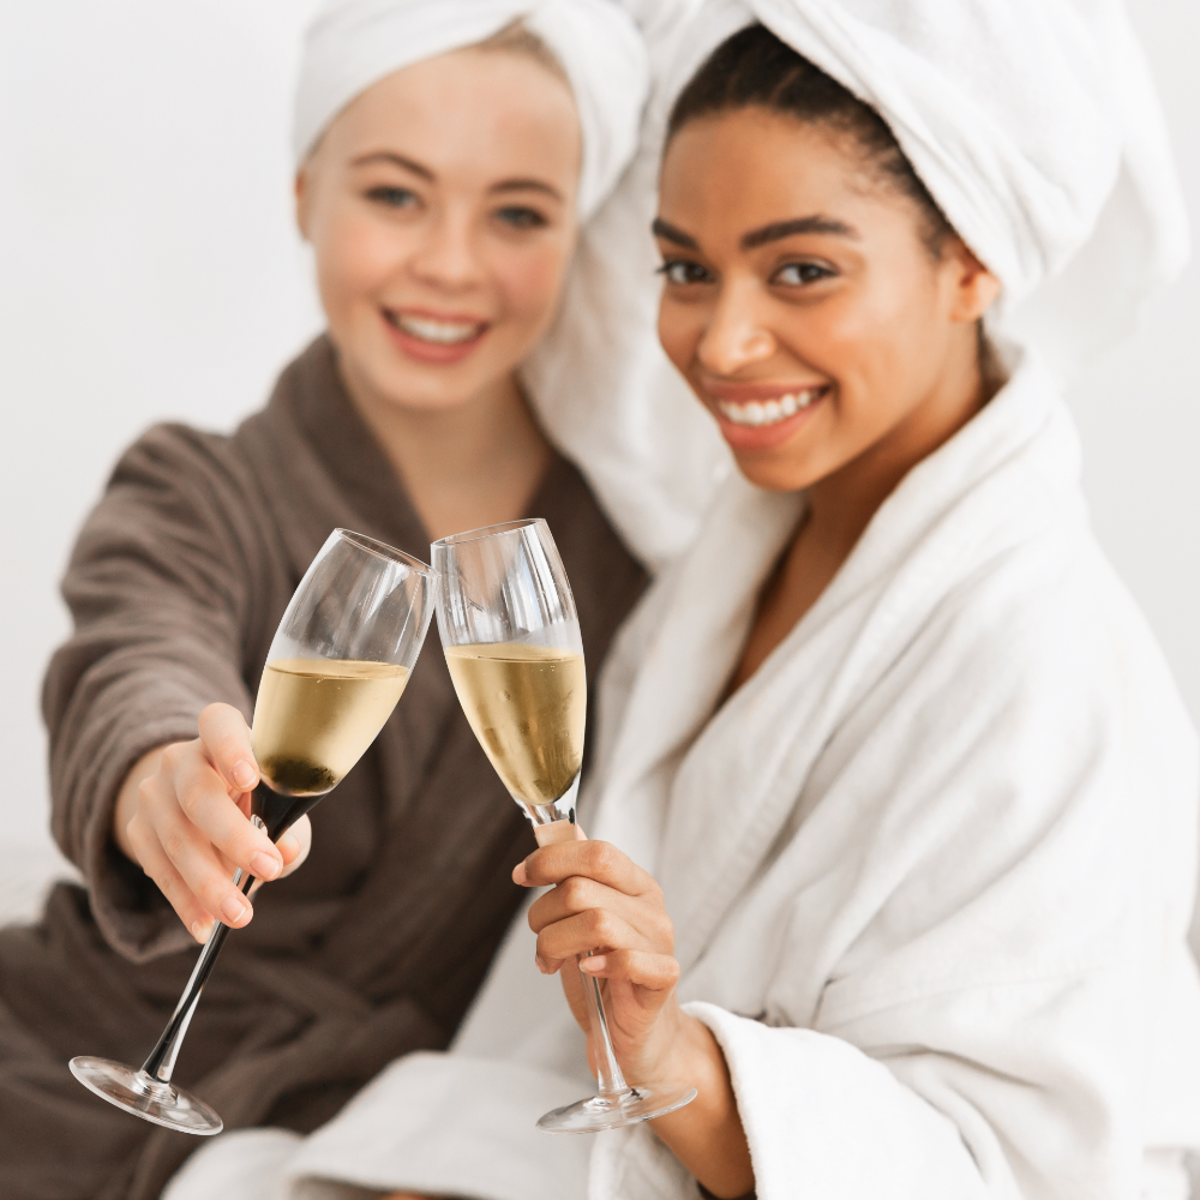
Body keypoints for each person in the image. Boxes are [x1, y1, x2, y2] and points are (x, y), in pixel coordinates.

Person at [164, 2, 1200, 1199]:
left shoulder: (1049, 674)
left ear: (971, 262)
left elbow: (1003, 1169)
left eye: (804, 269)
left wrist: (672, 1057)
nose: (723, 341)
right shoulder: (736, 553)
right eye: (686, 270)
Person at [0, 3, 724, 1198]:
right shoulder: (197, 489)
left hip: (383, 1130)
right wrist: (165, 780)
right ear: (303, 194)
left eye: (518, 213)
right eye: (396, 194)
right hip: (63, 1072)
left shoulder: (626, 565)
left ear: (581, 231)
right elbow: (133, 656)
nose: (450, 262)